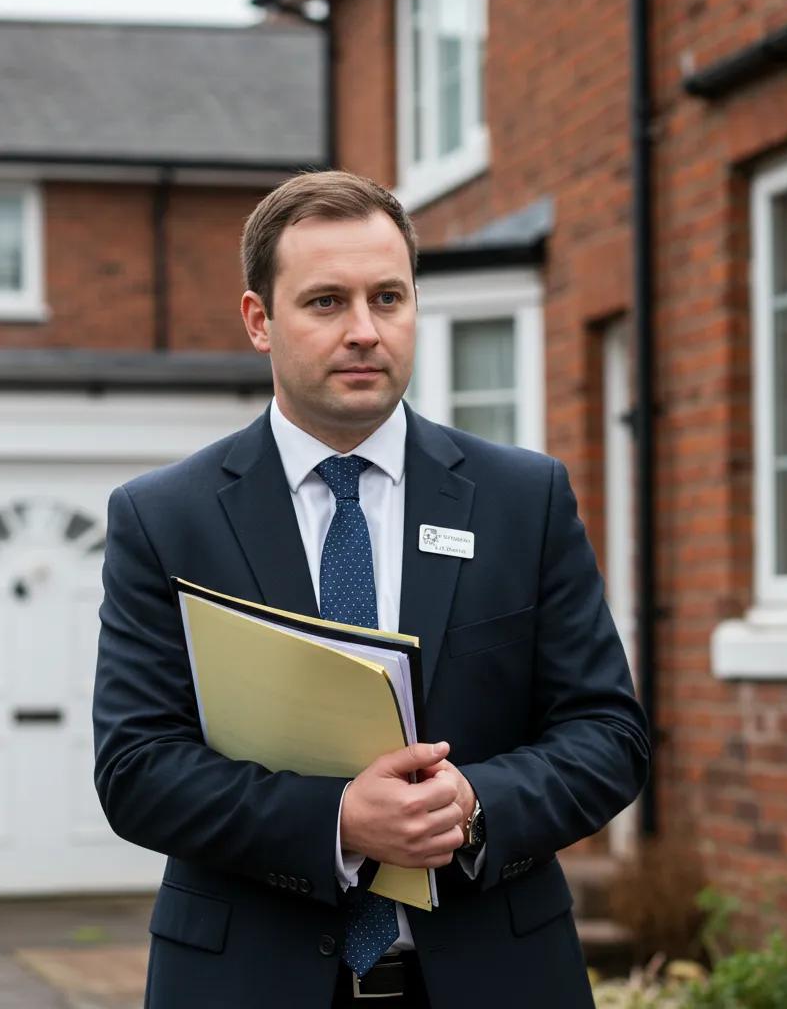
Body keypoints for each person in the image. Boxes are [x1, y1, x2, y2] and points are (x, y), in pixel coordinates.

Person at [93, 170, 650, 1008]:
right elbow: (137, 767)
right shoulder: (165, 518)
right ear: (259, 320)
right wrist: (340, 822)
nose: (364, 331)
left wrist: (476, 806)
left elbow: (608, 734)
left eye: (388, 298)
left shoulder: (521, 500)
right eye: (325, 303)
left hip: (494, 977)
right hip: (246, 982)